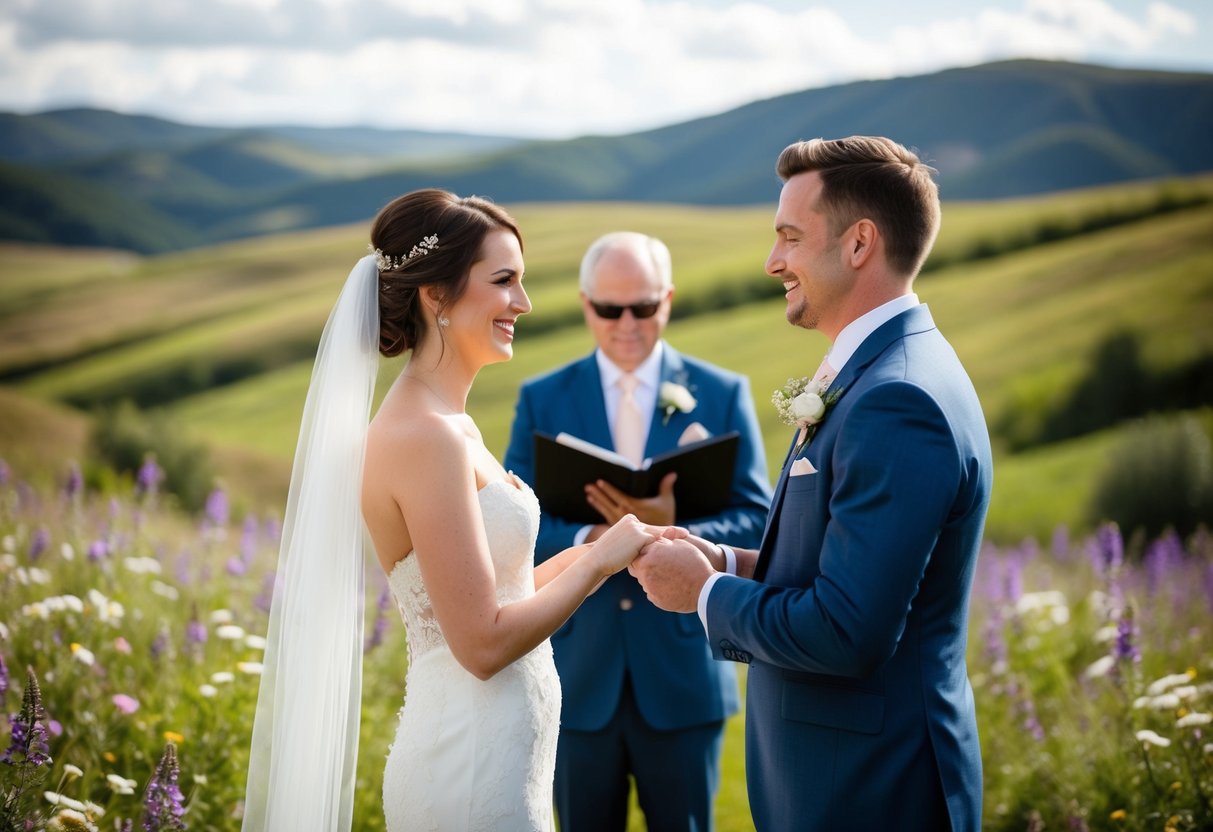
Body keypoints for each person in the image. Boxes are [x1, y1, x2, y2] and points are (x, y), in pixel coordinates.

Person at [242, 189, 657, 832]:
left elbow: (501, 591)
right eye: (503, 281)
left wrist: (598, 549)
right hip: (466, 769)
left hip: (501, 758)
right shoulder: (423, 436)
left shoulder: (452, 425)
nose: (522, 302)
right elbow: (482, 643)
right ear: (436, 294)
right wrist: (597, 564)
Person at [629, 138, 993, 832]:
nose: (772, 262)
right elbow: (836, 569)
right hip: (830, 779)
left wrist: (700, 593)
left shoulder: (898, 400)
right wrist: (727, 562)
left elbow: (845, 632)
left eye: (789, 238)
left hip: (871, 790)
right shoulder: (874, 373)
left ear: (859, 244)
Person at [504, 231, 771, 831]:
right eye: (609, 308)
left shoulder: (722, 393)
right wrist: (592, 545)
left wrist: (670, 530)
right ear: (585, 303)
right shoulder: (542, 398)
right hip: (578, 671)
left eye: (644, 306)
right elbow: (516, 525)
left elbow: (759, 517)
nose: (627, 323)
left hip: (682, 673)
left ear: (668, 300)